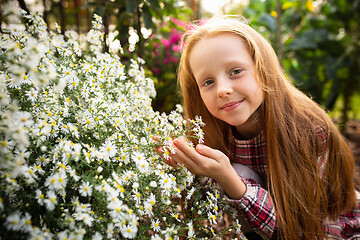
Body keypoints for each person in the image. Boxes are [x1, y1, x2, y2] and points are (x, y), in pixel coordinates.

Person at [161, 15, 360, 239]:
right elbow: (207, 198)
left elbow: (303, 230)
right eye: (208, 82)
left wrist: (232, 183)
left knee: (237, 174)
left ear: (262, 68)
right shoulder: (216, 130)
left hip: (324, 226)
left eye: (236, 71)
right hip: (271, 219)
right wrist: (187, 167)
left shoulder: (308, 131)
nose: (222, 90)